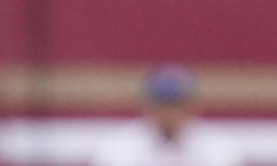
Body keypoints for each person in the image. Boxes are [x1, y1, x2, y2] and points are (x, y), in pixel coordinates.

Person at [89, 64, 245, 166]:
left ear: (193, 106)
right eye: (162, 105)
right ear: (146, 106)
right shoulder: (117, 148)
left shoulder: (219, 147)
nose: (170, 114)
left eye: (177, 105)